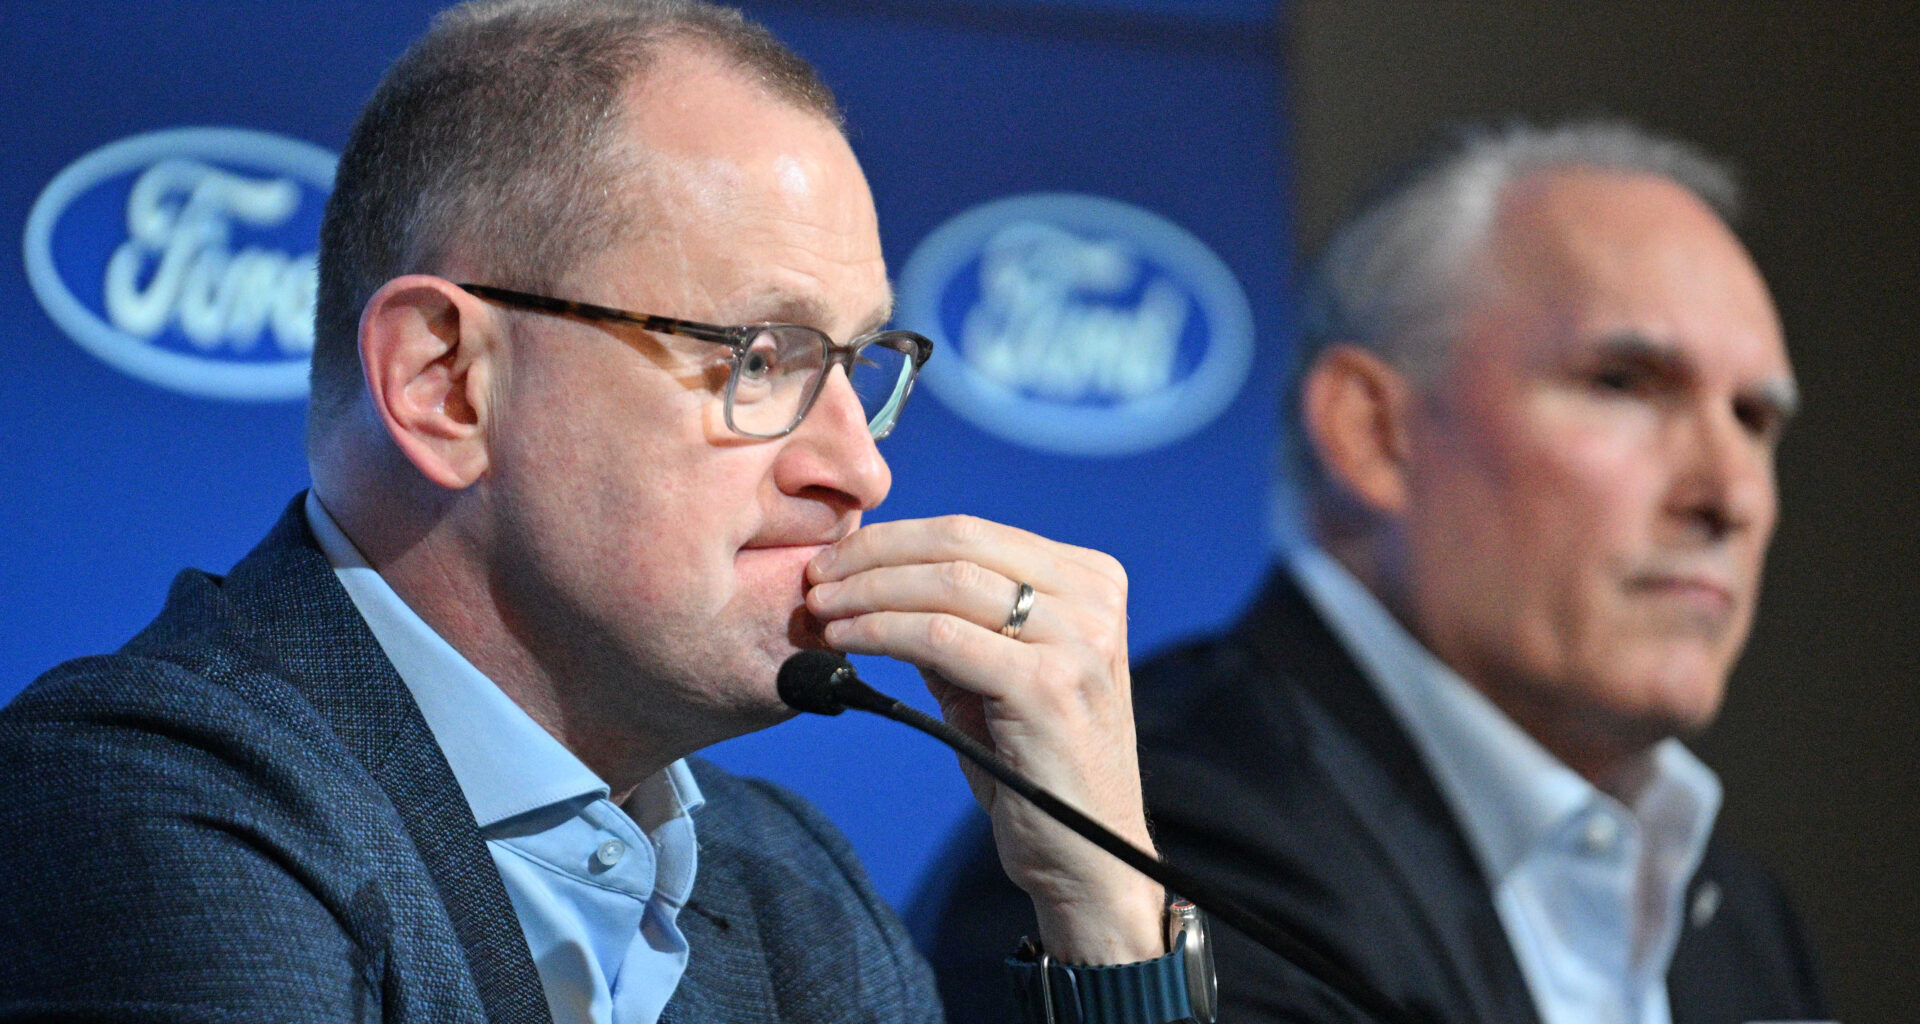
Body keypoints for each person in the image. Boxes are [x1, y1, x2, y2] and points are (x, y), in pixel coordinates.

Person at [0, 2, 1183, 1022]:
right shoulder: (141, 799)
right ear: (446, 382)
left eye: (859, 363)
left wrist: (1105, 911)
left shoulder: (796, 887)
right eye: (761, 356)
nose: (859, 471)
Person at [913, 121, 1829, 1024]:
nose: (1732, 494)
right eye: (1622, 383)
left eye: (1754, 419)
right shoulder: (1155, 841)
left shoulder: (1734, 916)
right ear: (1373, 431)